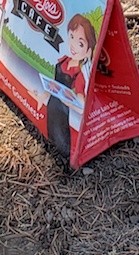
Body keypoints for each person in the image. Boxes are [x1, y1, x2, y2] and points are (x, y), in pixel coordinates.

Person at [36, 14, 96, 160]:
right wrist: (41, 97)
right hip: (52, 104)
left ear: (88, 52)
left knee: (61, 136)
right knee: (49, 131)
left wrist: (71, 104)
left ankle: (66, 156)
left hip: (63, 109)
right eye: (72, 37)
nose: (73, 45)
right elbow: (53, 84)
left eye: (81, 43)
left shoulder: (79, 75)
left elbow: (82, 104)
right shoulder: (63, 60)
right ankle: (53, 148)